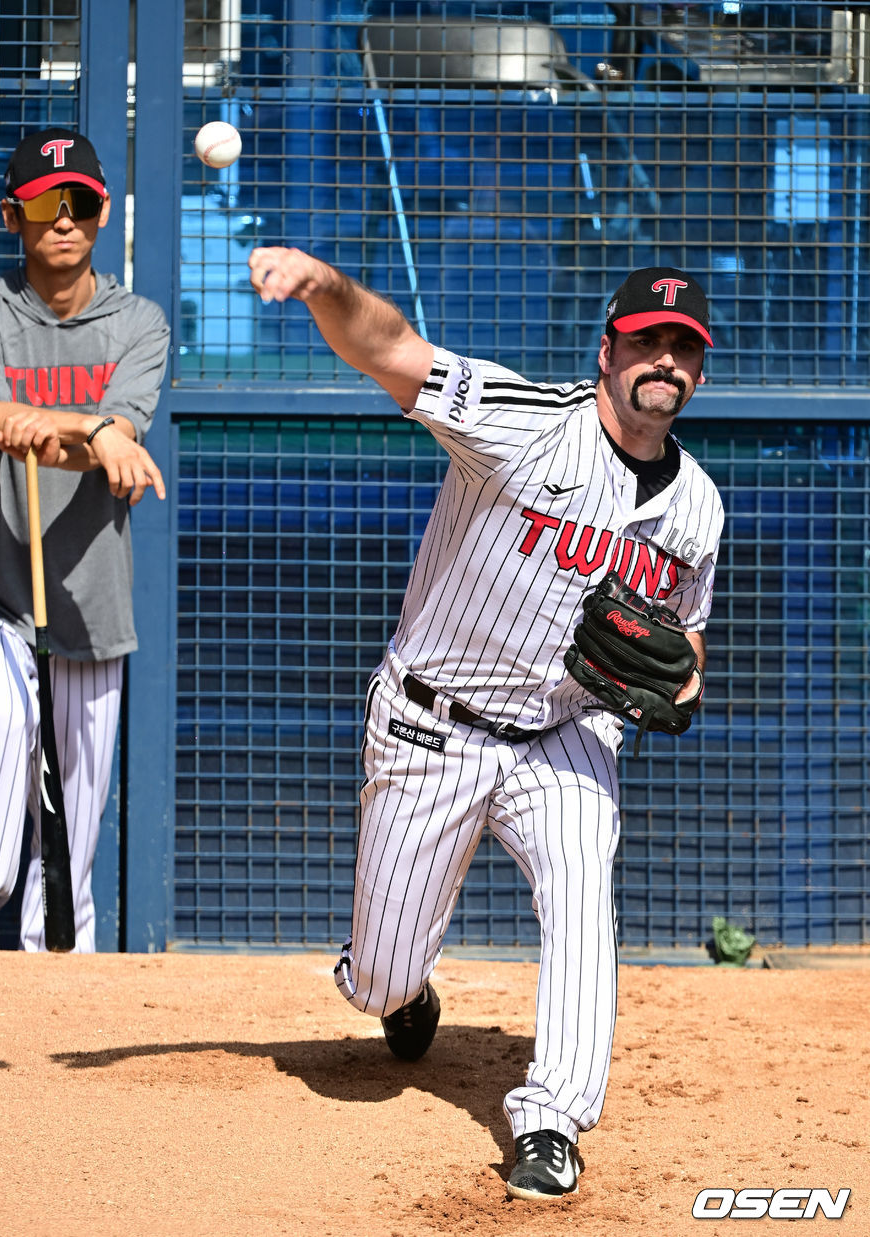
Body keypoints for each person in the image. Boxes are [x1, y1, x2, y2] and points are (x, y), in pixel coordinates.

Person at [247, 247, 723, 1199]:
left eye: (683, 346)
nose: (663, 360)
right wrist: (325, 287)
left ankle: (552, 1118)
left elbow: (686, 646)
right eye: (646, 341)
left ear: (699, 369)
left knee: (581, 876)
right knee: (376, 980)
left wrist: (681, 688)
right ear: (607, 352)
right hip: (435, 722)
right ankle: (403, 986)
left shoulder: (698, 508)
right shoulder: (520, 422)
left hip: (564, 733)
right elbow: (391, 349)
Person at [0, 128, 169, 953]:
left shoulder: (138, 323)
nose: (64, 221)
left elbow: (116, 434)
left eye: (82, 204)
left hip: (89, 600)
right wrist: (94, 429)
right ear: (11, 217)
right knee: (8, 709)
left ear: (101, 215)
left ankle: (53, 962)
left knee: (77, 805)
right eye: (44, 205)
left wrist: (92, 431)